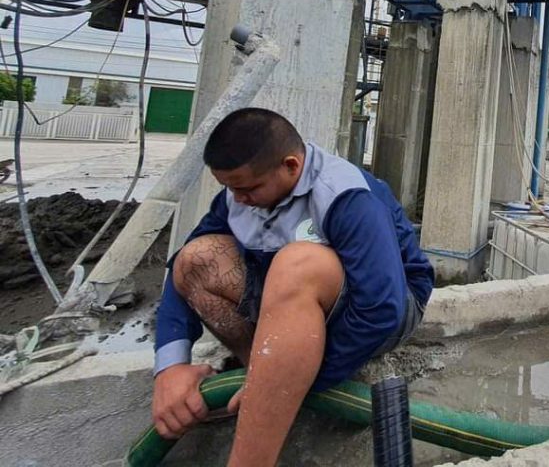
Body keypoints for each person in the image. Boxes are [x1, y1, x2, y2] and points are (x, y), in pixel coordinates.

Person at [151, 108, 434, 466]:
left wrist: (279, 390)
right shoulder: (237, 197)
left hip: (389, 305)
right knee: (196, 259)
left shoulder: (344, 195)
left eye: (248, 188)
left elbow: (381, 308)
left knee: (297, 263)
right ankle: (259, 366)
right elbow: (183, 267)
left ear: (291, 166)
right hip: (296, 299)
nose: (238, 198)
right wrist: (171, 367)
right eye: (230, 188)